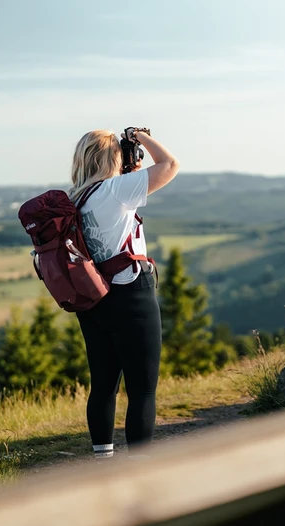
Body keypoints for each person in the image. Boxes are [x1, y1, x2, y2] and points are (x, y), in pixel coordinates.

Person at [67, 128, 181, 460]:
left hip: (93, 300)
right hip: (132, 294)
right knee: (142, 390)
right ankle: (139, 469)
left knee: (103, 385)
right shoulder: (116, 190)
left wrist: (126, 162)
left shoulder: (77, 197)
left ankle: (103, 460)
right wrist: (140, 136)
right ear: (112, 156)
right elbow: (170, 164)